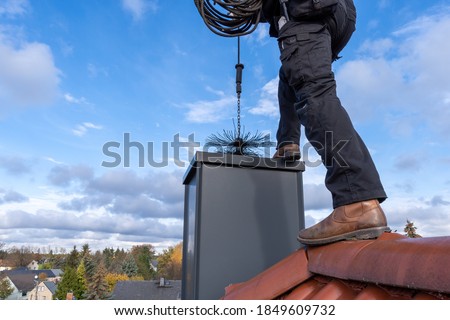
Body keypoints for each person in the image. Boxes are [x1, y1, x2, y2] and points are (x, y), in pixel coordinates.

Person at [261, 0, 390, 245]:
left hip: (304, 8)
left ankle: (356, 202)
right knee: (290, 74)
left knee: (314, 92)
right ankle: (287, 141)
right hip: (339, 13)